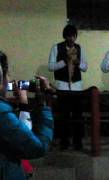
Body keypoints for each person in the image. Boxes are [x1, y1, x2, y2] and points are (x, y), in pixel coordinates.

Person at [0, 51, 54, 180]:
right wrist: (28, 103)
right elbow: (36, 146)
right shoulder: (2, 113)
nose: (9, 80)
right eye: (7, 75)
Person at [48, 24, 88, 150]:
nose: (72, 39)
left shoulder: (80, 48)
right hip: (62, 86)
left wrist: (78, 62)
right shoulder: (56, 48)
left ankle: (78, 142)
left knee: (78, 116)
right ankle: (64, 142)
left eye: (74, 36)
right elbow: (51, 66)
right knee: (63, 116)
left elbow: (85, 67)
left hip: (77, 87)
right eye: (69, 36)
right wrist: (64, 61)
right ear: (65, 36)